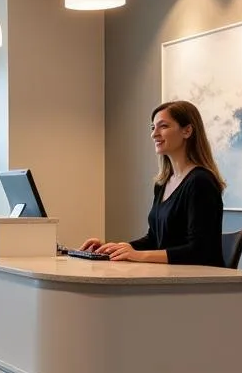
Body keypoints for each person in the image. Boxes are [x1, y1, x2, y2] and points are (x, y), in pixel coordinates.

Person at [81, 100, 226, 265]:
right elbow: (154, 239)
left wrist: (138, 255)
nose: (154, 134)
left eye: (163, 126)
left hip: (199, 285)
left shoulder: (201, 182)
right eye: (152, 128)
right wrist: (115, 249)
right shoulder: (162, 183)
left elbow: (200, 251)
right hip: (170, 278)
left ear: (187, 131)